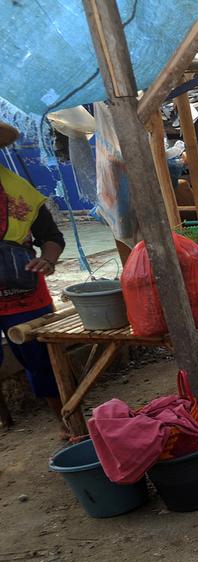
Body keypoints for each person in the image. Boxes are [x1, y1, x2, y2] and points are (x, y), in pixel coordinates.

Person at [0, 121, 67, 436]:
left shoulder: (19, 193)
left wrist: (48, 260)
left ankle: (68, 422)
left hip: (24, 295)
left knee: (42, 362)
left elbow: (51, 237)